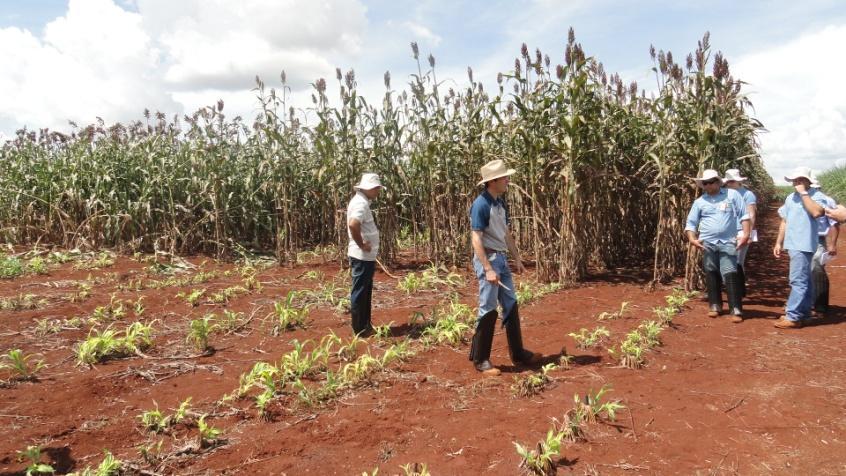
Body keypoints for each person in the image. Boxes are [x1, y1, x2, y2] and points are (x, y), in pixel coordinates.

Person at [468, 159, 540, 376]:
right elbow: (476, 239)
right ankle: (481, 359)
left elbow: (506, 233)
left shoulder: (499, 203)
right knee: (488, 307)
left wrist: (516, 257)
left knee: (511, 303)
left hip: (501, 259)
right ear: (493, 181)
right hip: (489, 259)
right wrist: (488, 268)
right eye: (505, 177)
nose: (508, 180)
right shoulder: (481, 205)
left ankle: (517, 353)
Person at [684, 169, 751, 323]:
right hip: (707, 242)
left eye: (710, 182)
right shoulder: (700, 202)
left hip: (728, 241)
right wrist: (692, 238)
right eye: (704, 183)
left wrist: (746, 235)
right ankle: (715, 305)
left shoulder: (732, 195)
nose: (707, 185)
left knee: (730, 272)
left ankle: (736, 308)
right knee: (711, 271)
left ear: (718, 182)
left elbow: (744, 215)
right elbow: (691, 223)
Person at [772, 167, 825, 329]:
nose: (796, 183)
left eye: (801, 180)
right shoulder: (790, 198)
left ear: (809, 181)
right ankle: (805, 314)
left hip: (804, 243)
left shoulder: (816, 197)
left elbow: (817, 212)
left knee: (798, 280)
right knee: (806, 280)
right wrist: (779, 242)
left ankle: (793, 316)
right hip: (792, 243)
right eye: (795, 180)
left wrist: (803, 193)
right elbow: (785, 221)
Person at [346, 173, 385, 336]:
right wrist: (362, 244)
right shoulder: (360, 203)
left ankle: (365, 325)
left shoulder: (361, 201)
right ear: (368, 189)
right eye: (376, 188)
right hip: (361, 257)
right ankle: (359, 329)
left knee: (364, 291)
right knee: (360, 292)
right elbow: (353, 224)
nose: (377, 192)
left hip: (365, 257)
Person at [722, 168, 757, 297]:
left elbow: (751, 214)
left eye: (733, 181)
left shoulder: (747, 194)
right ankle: (733, 288)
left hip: (741, 230)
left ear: (738, 182)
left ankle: (737, 290)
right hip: (725, 232)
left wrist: (748, 233)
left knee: (737, 261)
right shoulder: (723, 194)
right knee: (726, 260)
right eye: (729, 181)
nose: (730, 184)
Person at [809, 171, 839, 317]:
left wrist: (832, 244)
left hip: (818, 240)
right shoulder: (801, 199)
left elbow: (834, 224)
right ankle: (805, 302)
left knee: (816, 267)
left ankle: (820, 305)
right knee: (803, 270)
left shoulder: (827, 201)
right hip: (802, 239)